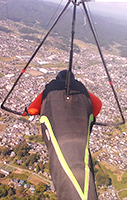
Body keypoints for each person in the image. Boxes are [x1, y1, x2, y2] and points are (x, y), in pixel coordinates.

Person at [24, 70, 101, 200]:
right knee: (83, 168)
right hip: (79, 133)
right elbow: (98, 104)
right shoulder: (82, 90)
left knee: (62, 166)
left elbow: (32, 109)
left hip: (61, 135)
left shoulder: (51, 89)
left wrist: (25, 111)